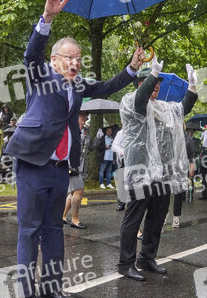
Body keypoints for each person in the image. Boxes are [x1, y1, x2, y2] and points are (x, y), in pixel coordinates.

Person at [5, 0, 145, 298]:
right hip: (34, 164)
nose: (76, 63)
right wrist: (47, 19)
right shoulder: (40, 75)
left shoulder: (78, 86)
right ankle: (26, 296)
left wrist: (131, 68)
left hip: (59, 168)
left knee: (54, 229)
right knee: (30, 230)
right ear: (55, 60)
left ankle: (51, 288)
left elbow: (105, 86)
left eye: (79, 59)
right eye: (70, 58)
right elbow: (31, 54)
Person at [117, 57, 197, 282]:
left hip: (162, 174)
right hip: (139, 172)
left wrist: (192, 88)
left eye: (158, 82)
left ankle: (147, 258)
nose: (157, 86)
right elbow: (139, 103)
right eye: (153, 82)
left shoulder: (162, 108)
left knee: (157, 216)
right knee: (134, 217)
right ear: (141, 84)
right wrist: (151, 75)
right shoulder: (129, 101)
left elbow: (182, 109)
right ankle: (125, 263)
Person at [62, 111, 99, 229]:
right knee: (78, 191)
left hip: (83, 166)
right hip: (72, 165)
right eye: (83, 115)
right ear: (75, 116)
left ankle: (62, 216)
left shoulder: (86, 131)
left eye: (86, 115)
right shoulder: (70, 131)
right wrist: (69, 165)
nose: (86, 117)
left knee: (72, 193)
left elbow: (91, 147)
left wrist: (98, 138)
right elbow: (65, 148)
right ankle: (75, 219)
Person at [172, 127, 195, 228]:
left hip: (182, 169)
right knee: (165, 194)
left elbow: (191, 155)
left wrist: (191, 168)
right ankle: (163, 215)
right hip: (169, 168)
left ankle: (176, 217)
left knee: (178, 194)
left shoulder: (187, 139)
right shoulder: (170, 136)